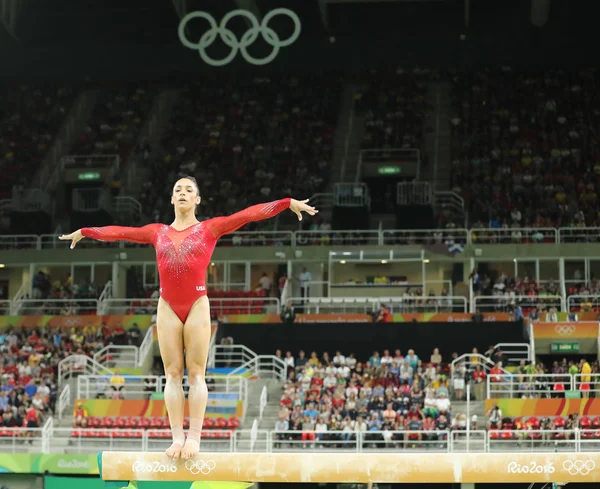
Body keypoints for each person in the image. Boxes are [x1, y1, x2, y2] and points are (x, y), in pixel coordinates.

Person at [59, 176, 318, 459]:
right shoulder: (156, 232)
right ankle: (176, 437)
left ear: (197, 199)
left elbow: (247, 215)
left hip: (197, 304)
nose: (182, 193)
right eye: (178, 190)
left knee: (196, 373)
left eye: (189, 190)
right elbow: (119, 232)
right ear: (171, 199)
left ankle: (194, 437)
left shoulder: (210, 228)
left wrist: (285, 203)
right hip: (167, 305)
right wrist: (86, 231)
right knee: (172, 373)